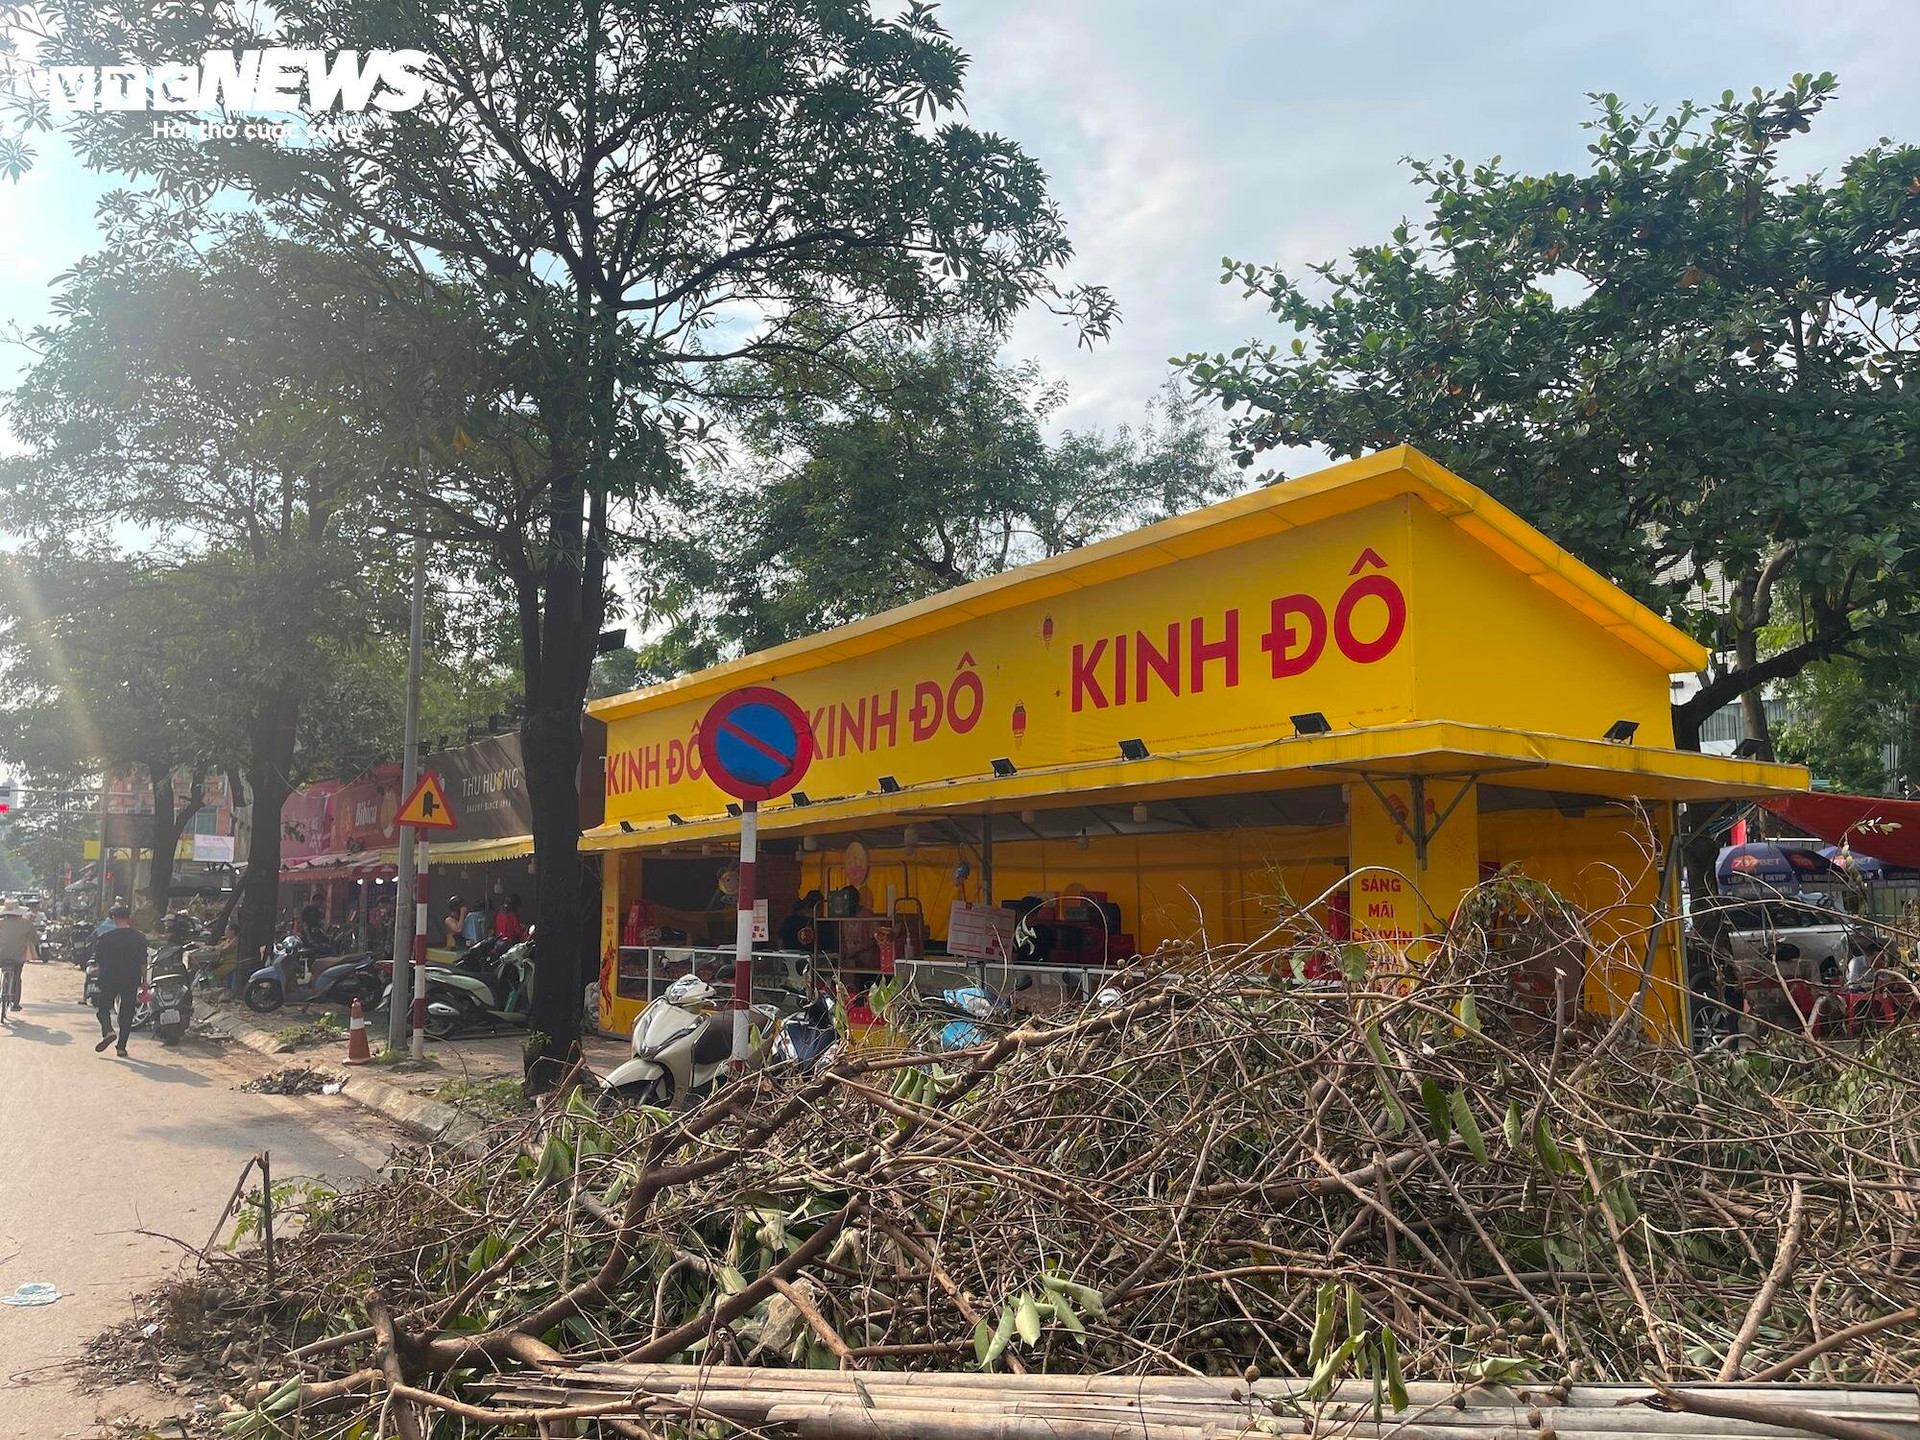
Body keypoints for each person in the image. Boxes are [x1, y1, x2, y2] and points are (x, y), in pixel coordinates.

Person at [93, 903, 146, 1056]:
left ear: (114, 919)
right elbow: (143, 961)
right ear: (129, 918)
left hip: (109, 977)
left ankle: (108, 1031)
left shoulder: (105, 938)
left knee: (103, 1009)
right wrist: (144, 980)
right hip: (131, 978)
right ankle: (121, 1047)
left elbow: (99, 960)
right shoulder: (139, 938)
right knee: (127, 1013)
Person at [0, 902, 36, 1011]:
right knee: (17, 977)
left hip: (1, 956)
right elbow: (34, 938)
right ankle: (16, 1003)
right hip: (18, 957)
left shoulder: (1, 923)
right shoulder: (26, 924)